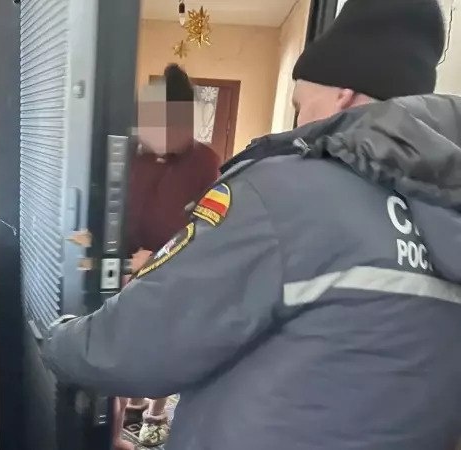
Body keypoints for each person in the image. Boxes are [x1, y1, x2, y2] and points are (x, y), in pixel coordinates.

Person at [45, 1, 461, 449]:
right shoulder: (446, 208)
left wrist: (55, 337)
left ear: (343, 94)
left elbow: (133, 345)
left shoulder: (286, 191)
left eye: (300, 104)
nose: (299, 121)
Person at [119, 64, 220, 449]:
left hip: (175, 270)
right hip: (125, 268)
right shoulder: (127, 153)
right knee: (127, 343)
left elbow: (207, 228)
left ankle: (155, 414)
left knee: (166, 345)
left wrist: (160, 256)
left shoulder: (205, 162)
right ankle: (130, 406)